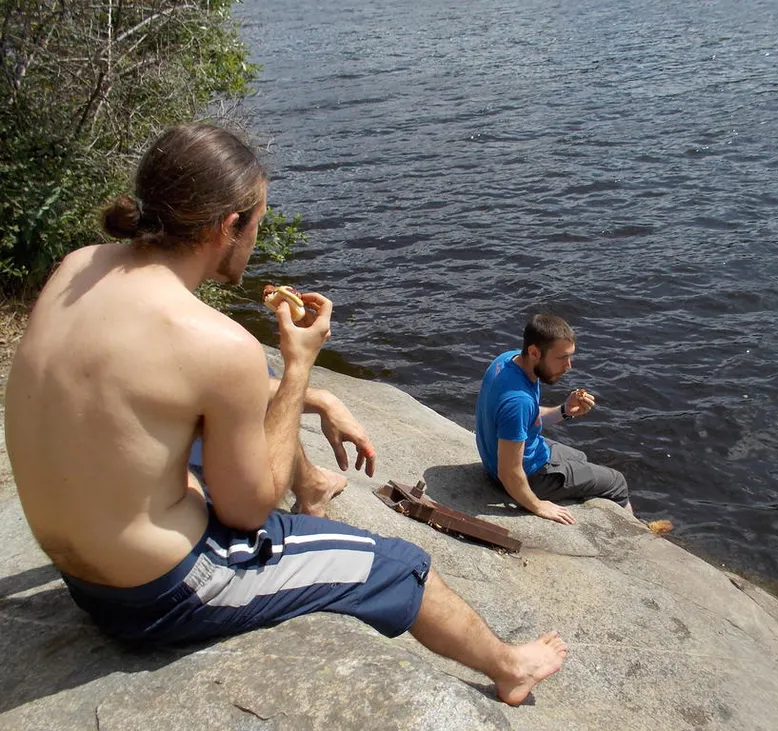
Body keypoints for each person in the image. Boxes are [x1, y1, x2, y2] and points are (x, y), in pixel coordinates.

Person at [3, 123, 566, 705]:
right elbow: (247, 512)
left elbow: (149, 385)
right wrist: (299, 369)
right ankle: (509, 667)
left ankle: (313, 486)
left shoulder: (78, 267)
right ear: (229, 225)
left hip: (84, 575)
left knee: (237, 415)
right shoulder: (218, 344)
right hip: (163, 593)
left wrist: (318, 397)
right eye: (258, 223)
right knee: (403, 566)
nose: (256, 237)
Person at [474, 314, 630, 525]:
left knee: (580, 457)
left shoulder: (507, 361)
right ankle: (638, 535)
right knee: (617, 483)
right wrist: (538, 505)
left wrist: (565, 410)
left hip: (507, 455)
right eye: (561, 358)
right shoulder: (518, 401)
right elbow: (508, 472)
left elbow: (522, 419)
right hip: (529, 476)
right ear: (534, 352)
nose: (568, 366)